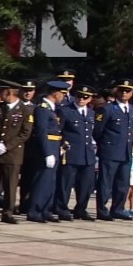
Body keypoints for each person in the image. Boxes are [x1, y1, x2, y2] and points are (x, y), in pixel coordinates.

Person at [0, 82, 34, 224]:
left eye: (2, 92)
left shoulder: (25, 110)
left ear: (10, 93)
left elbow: (25, 133)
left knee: (10, 186)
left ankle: (8, 212)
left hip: (12, 154)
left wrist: (7, 146)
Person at [95, 80, 133, 220]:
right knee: (106, 183)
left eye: (127, 91)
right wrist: (105, 146)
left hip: (125, 152)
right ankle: (102, 210)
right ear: (117, 91)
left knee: (122, 183)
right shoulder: (107, 108)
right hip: (110, 151)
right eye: (122, 90)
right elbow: (97, 131)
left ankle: (118, 209)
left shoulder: (132, 109)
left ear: (132, 93)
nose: (124, 93)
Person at [25, 80, 67, 222]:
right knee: (42, 180)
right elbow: (42, 132)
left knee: (50, 181)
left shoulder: (52, 109)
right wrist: (47, 152)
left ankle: (45, 209)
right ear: (55, 93)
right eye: (62, 94)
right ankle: (35, 211)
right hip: (47, 149)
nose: (64, 97)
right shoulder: (42, 108)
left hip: (54, 147)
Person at [56, 83, 98, 221]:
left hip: (87, 154)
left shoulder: (91, 112)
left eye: (85, 97)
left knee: (86, 184)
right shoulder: (65, 111)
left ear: (90, 99)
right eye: (79, 96)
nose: (81, 99)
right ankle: (62, 208)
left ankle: (81, 209)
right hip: (71, 153)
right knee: (66, 184)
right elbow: (58, 131)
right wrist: (62, 146)